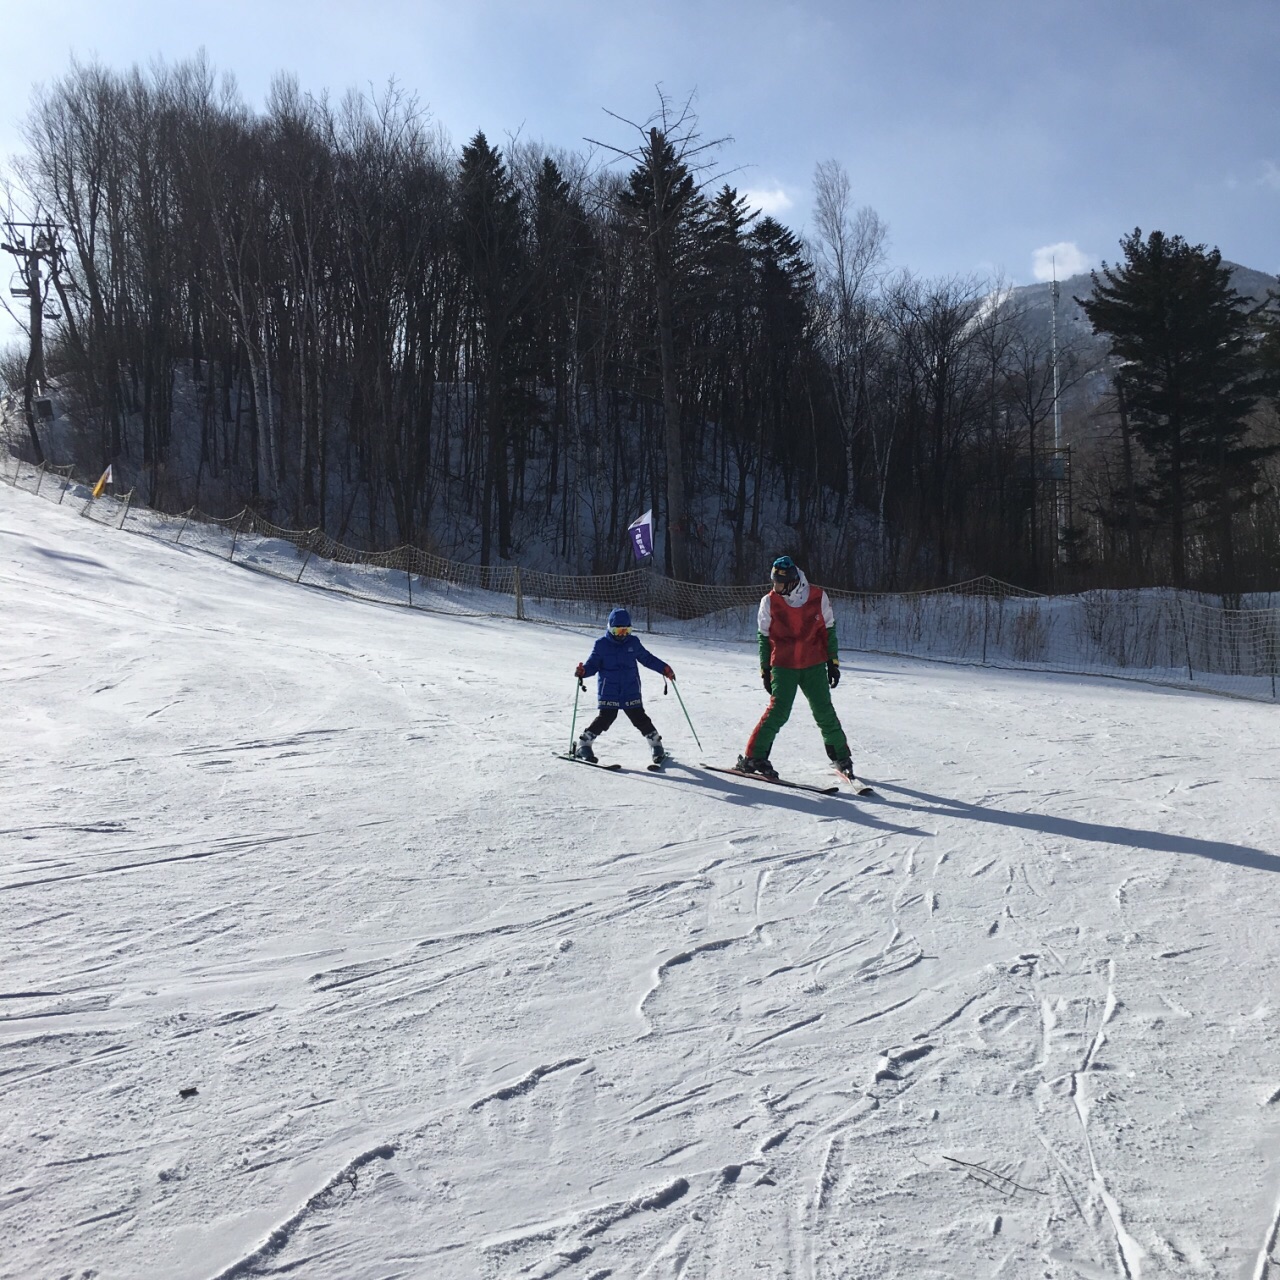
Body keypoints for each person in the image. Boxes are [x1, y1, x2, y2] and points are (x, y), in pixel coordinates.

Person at [737, 555, 853, 779]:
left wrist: (833, 662)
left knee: (824, 711)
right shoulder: (769, 602)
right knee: (778, 711)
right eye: (774, 583)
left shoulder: (818, 597)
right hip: (783, 664)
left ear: (793, 582)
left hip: (814, 664)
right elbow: (763, 637)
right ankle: (754, 757)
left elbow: (828, 630)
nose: (776, 587)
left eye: (780, 583)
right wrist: (765, 669)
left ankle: (841, 757)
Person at [574, 608, 675, 764]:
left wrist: (664, 668)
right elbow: (592, 665)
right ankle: (584, 745)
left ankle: (656, 745)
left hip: (630, 689)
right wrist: (583, 671)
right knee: (606, 718)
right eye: (618, 630)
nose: (622, 634)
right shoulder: (601, 645)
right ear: (610, 628)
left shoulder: (633, 642)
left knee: (639, 717)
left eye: (626, 630)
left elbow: (647, 659)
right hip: (609, 690)